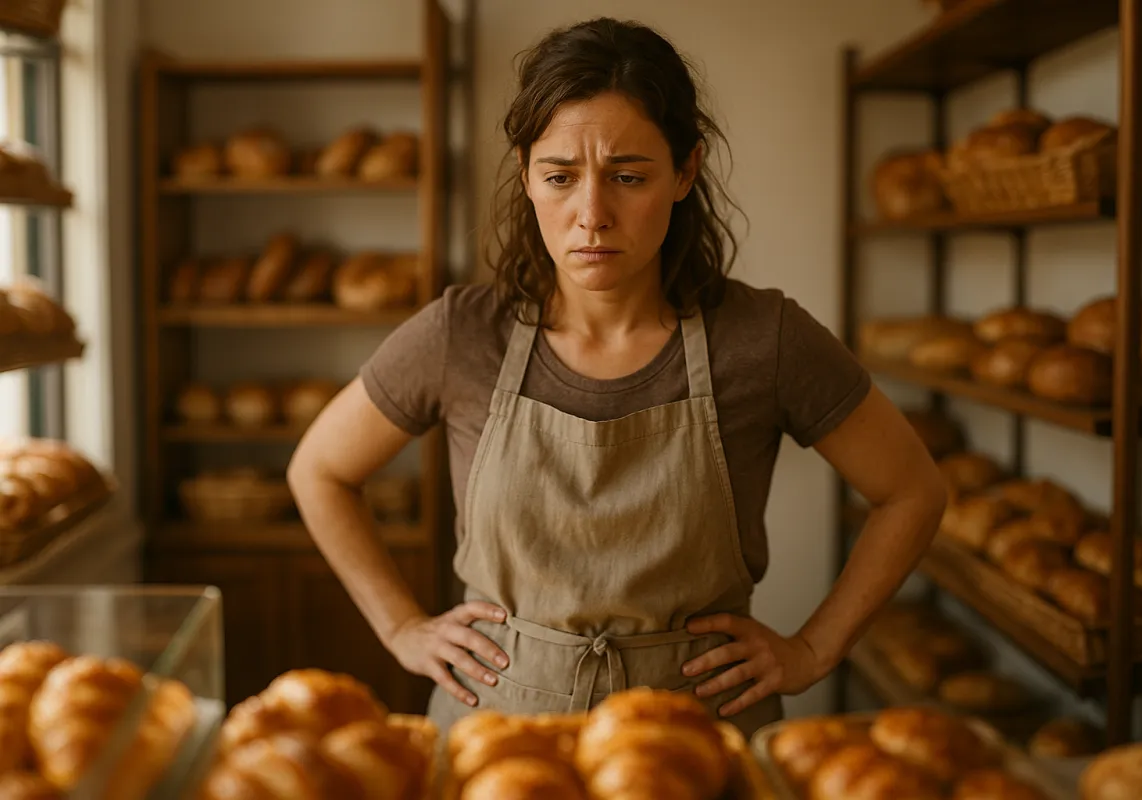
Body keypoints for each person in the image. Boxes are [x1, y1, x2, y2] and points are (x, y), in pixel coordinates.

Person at [286, 16, 946, 738]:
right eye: (560, 177)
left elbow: (912, 491)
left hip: (699, 741)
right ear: (527, 174)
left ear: (685, 173)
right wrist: (401, 626)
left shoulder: (766, 339)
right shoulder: (461, 335)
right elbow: (318, 470)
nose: (592, 215)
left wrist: (814, 650)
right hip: (499, 740)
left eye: (629, 176)